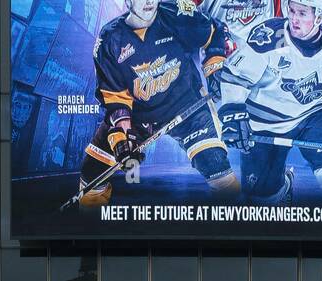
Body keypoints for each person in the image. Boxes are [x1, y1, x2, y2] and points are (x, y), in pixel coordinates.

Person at [77, 0, 238, 208]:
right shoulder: (109, 39)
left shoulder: (177, 13)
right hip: (138, 114)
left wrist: (214, 69)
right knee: (91, 173)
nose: (149, 1)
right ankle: (89, 229)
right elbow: (116, 100)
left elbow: (213, 32)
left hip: (186, 106)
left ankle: (238, 228)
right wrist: (123, 139)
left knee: (215, 164)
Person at [216, 0, 322, 202]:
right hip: (263, 122)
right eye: (292, 10)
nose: (294, 18)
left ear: (319, 16)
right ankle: (283, 187)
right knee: (261, 200)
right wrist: (233, 112)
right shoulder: (267, 37)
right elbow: (236, 77)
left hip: (314, 116)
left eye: (302, 13)